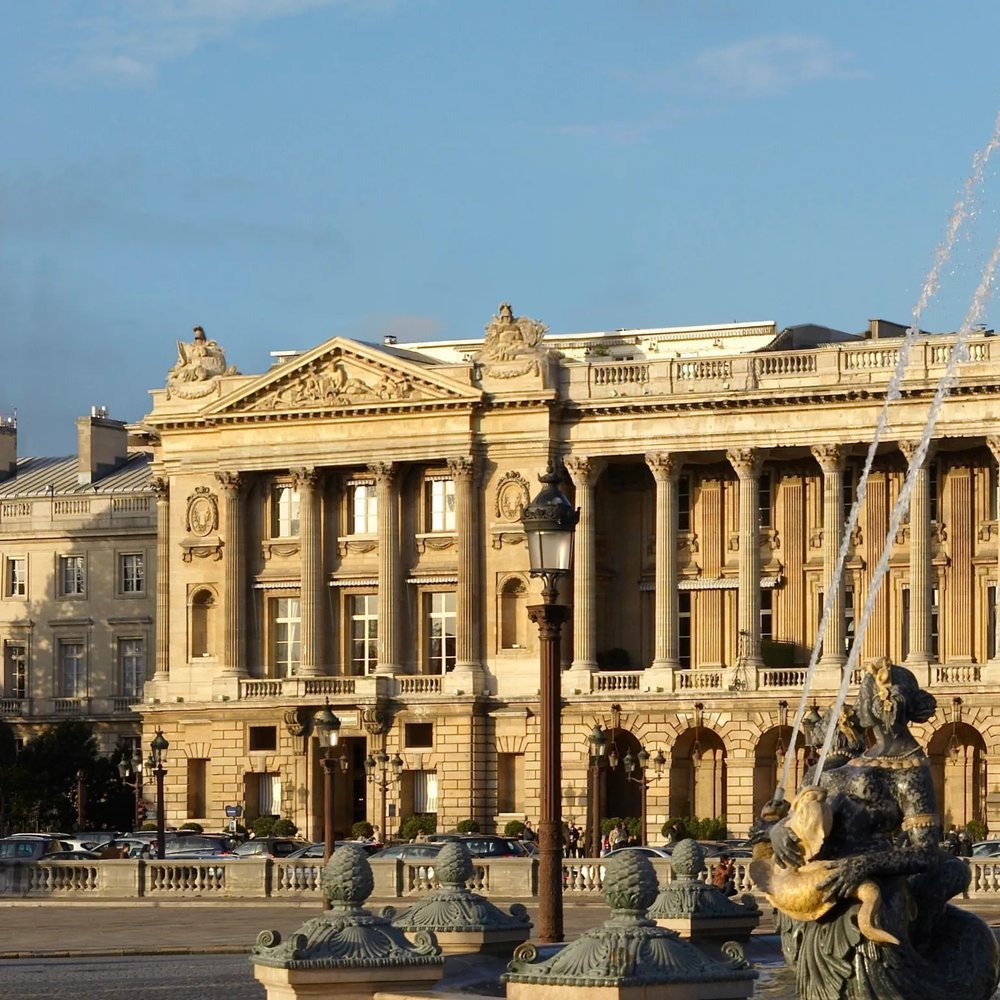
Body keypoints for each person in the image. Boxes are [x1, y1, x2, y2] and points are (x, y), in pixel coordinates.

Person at [760, 657, 1000, 1000]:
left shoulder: (911, 766)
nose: (857, 701)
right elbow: (806, 812)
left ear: (881, 703)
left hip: (868, 890)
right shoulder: (858, 757)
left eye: (864, 693)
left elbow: (925, 851)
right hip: (823, 885)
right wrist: (780, 830)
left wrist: (861, 866)